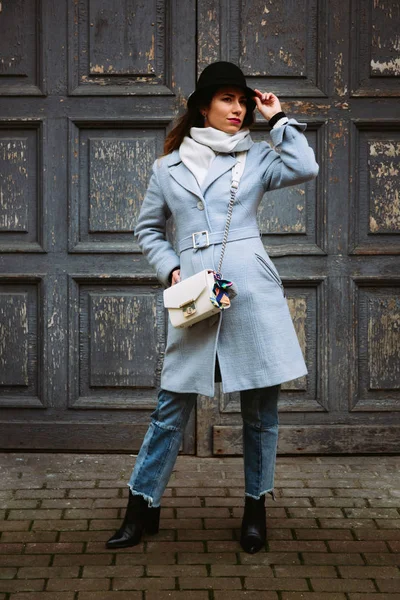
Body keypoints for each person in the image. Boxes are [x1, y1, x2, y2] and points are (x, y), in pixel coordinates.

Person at [106, 61, 319, 554]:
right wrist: (172, 269)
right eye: (228, 99)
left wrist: (278, 117)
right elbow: (148, 229)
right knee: (170, 406)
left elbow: (306, 166)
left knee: (260, 411)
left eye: (243, 101)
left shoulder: (259, 156)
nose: (238, 108)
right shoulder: (168, 168)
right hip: (195, 292)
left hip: (250, 290)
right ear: (204, 105)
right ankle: (141, 508)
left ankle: (255, 510)